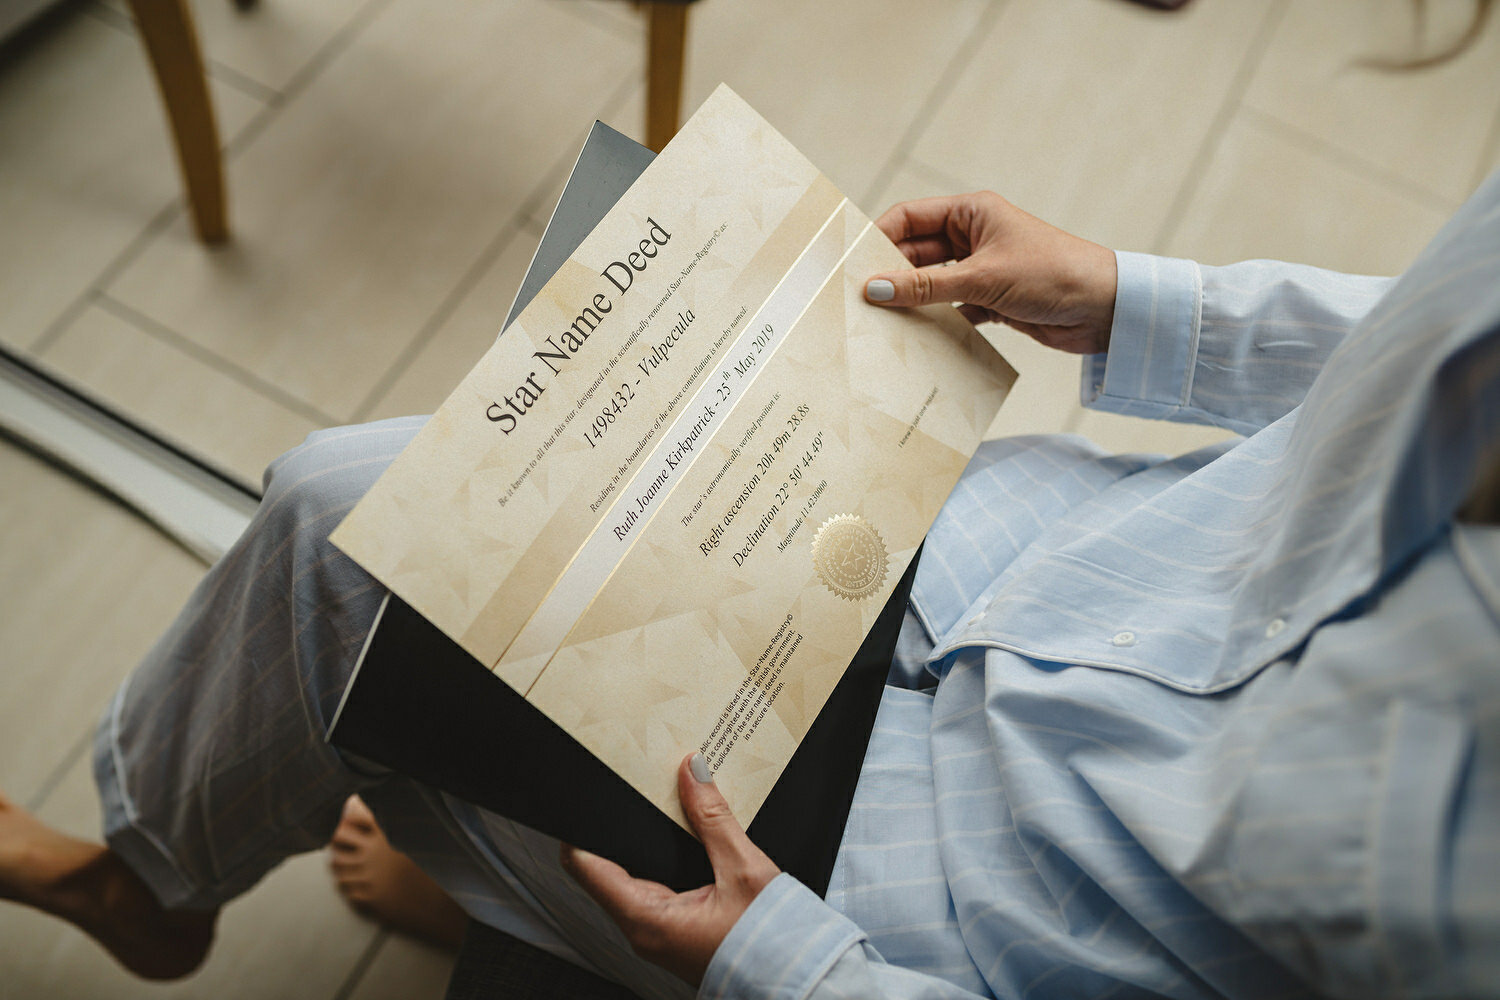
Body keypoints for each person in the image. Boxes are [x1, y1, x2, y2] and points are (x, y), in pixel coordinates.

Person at [1, 170, 1497, 998]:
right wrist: (1137, 301)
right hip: (1041, 552)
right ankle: (479, 885)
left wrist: (795, 971)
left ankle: (144, 889)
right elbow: (1452, 337)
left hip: (983, 909)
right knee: (376, 495)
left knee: (353, 568)